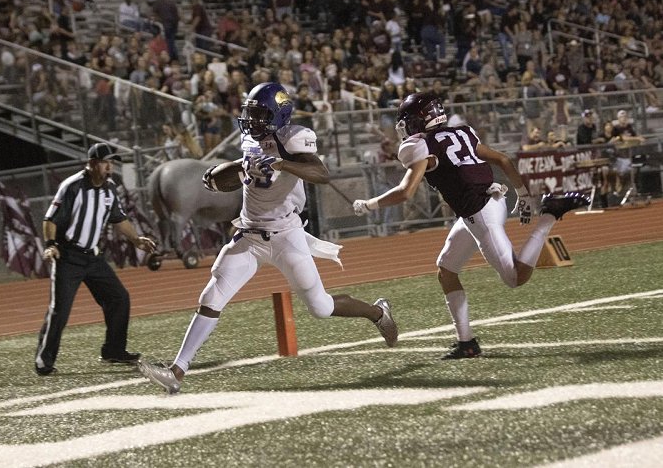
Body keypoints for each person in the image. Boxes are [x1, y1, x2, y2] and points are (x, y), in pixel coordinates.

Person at [138, 82, 399, 393]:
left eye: (259, 114)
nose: (252, 120)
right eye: (250, 113)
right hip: (249, 236)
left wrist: (282, 163)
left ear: (278, 114)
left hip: (286, 236)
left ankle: (377, 312)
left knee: (321, 307)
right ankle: (176, 373)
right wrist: (231, 170)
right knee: (211, 297)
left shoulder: (294, 138)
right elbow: (235, 178)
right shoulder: (251, 139)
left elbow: (321, 174)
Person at [352, 93, 590, 359]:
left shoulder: (422, 146)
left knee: (515, 278)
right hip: (487, 203)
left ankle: (548, 216)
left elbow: (405, 192)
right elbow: (503, 159)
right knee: (446, 270)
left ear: (418, 120)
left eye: (407, 121)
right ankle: (466, 343)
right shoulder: (462, 132)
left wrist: (370, 204)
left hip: (480, 212)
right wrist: (523, 194)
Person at [35, 143, 157, 375]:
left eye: (111, 162)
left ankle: (113, 350)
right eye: (104, 162)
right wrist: (50, 245)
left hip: (93, 257)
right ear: (91, 164)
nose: (109, 167)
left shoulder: (110, 189)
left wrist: (136, 240)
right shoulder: (72, 186)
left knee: (118, 298)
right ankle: (44, 361)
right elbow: (50, 219)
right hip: (68, 256)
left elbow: (118, 219)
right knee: (60, 310)